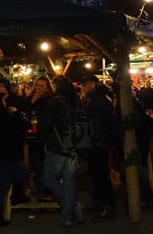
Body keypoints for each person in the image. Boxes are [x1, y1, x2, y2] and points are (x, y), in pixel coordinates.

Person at [38, 76, 83, 226]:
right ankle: (68, 217)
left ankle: (71, 209)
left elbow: (44, 125)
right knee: (70, 182)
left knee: (49, 179)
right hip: (75, 147)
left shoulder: (55, 102)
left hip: (58, 146)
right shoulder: (76, 101)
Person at [0, 90, 31, 226]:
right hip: (6, 155)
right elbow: (23, 126)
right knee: (2, 185)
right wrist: (16, 113)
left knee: (17, 173)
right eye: (4, 100)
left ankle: (10, 202)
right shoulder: (5, 117)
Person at [79, 75, 119, 219]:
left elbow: (109, 121)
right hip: (96, 142)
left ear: (93, 84)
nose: (83, 87)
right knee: (98, 175)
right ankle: (102, 204)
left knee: (101, 175)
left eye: (86, 84)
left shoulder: (99, 100)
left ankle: (106, 206)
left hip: (98, 142)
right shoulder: (97, 98)